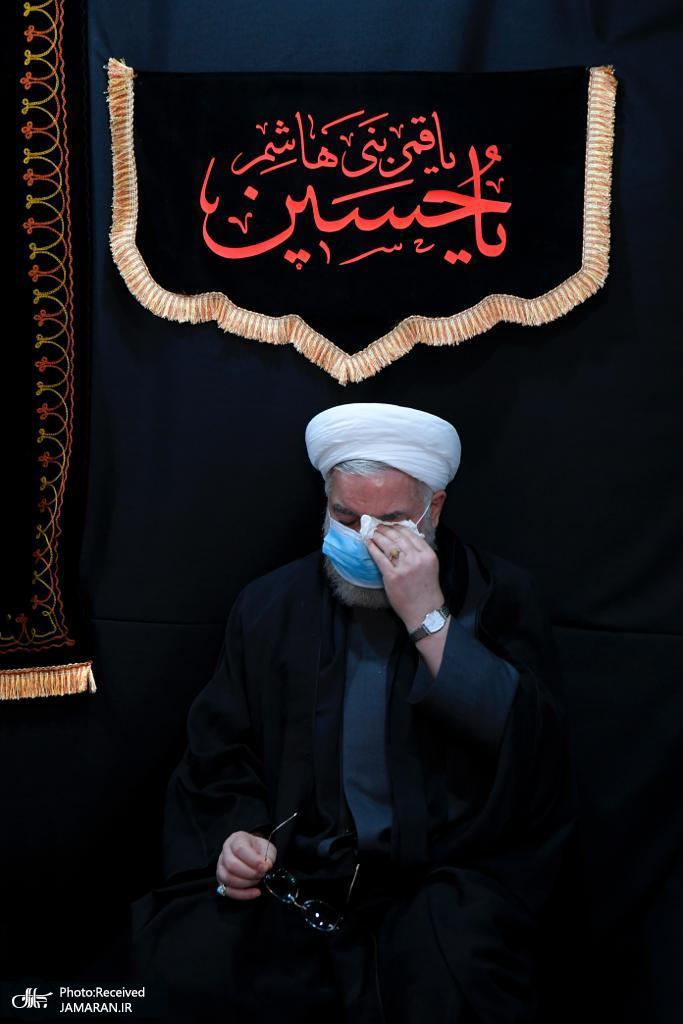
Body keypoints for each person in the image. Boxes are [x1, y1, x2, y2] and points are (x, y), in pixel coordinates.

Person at [128, 402, 577, 1023]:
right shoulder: (270, 607)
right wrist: (238, 838)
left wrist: (426, 614)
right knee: (190, 958)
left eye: (390, 521)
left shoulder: (497, 597)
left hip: (440, 879)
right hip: (298, 872)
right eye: (345, 516)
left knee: (456, 970)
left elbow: (529, 751)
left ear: (434, 508)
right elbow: (218, 758)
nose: (365, 536)